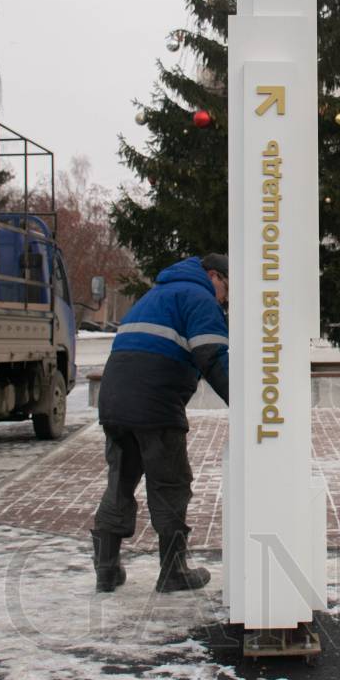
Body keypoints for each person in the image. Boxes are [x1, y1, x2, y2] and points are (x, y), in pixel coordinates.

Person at [91, 254, 229, 593]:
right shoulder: (199, 297)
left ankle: (106, 570)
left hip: (114, 402)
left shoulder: (155, 295)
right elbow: (211, 355)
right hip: (154, 404)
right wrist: (245, 404)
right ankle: (173, 571)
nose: (226, 299)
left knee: (120, 481)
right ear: (214, 276)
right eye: (228, 289)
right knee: (170, 484)